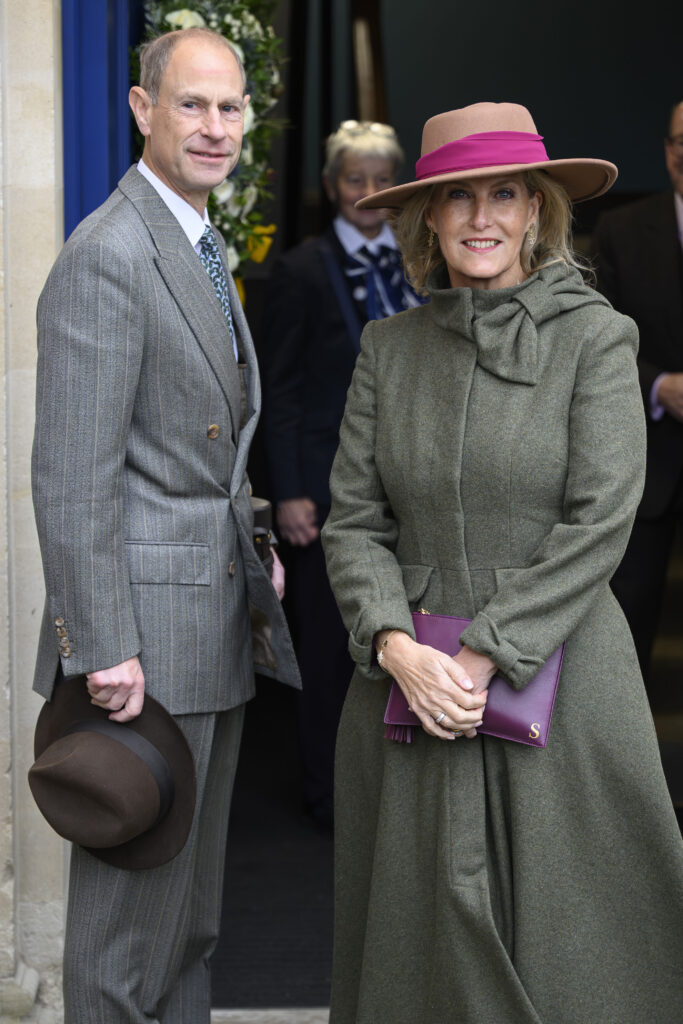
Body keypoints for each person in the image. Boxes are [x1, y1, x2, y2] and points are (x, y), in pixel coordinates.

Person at [321, 102, 683, 1023]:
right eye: (457, 197)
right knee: (416, 949)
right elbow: (353, 522)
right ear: (428, 218)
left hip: (558, 677)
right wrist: (398, 648)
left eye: (505, 195)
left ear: (535, 213)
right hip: (409, 687)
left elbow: (601, 518)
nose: (481, 217)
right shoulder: (386, 350)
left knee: (573, 951)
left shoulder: (596, 337)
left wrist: (480, 659)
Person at [31, 26, 299, 1024]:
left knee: (189, 925)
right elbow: (71, 475)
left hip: (210, 624)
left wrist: (254, 550)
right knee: (122, 937)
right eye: (192, 104)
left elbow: (196, 452)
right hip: (139, 650)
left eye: (231, 107)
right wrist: (101, 648)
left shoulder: (192, 236)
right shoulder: (108, 253)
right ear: (144, 110)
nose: (216, 126)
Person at [260, 119, 424, 828]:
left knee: (411, 635)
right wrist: (291, 489)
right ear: (330, 187)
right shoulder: (299, 269)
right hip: (328, 492)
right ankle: (330, 798)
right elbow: (281, 390)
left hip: (411, 484)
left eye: (381, 179)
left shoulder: (426, 261)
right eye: (353, 179)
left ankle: (401, 796)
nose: (367, 191)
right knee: (331, 646)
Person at [593, 100, 683, 680]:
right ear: (668, 149)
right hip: (647, 463)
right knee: (629, 623)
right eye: (681, 141)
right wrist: (660, 384)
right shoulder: (621, 230)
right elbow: (596, 339)